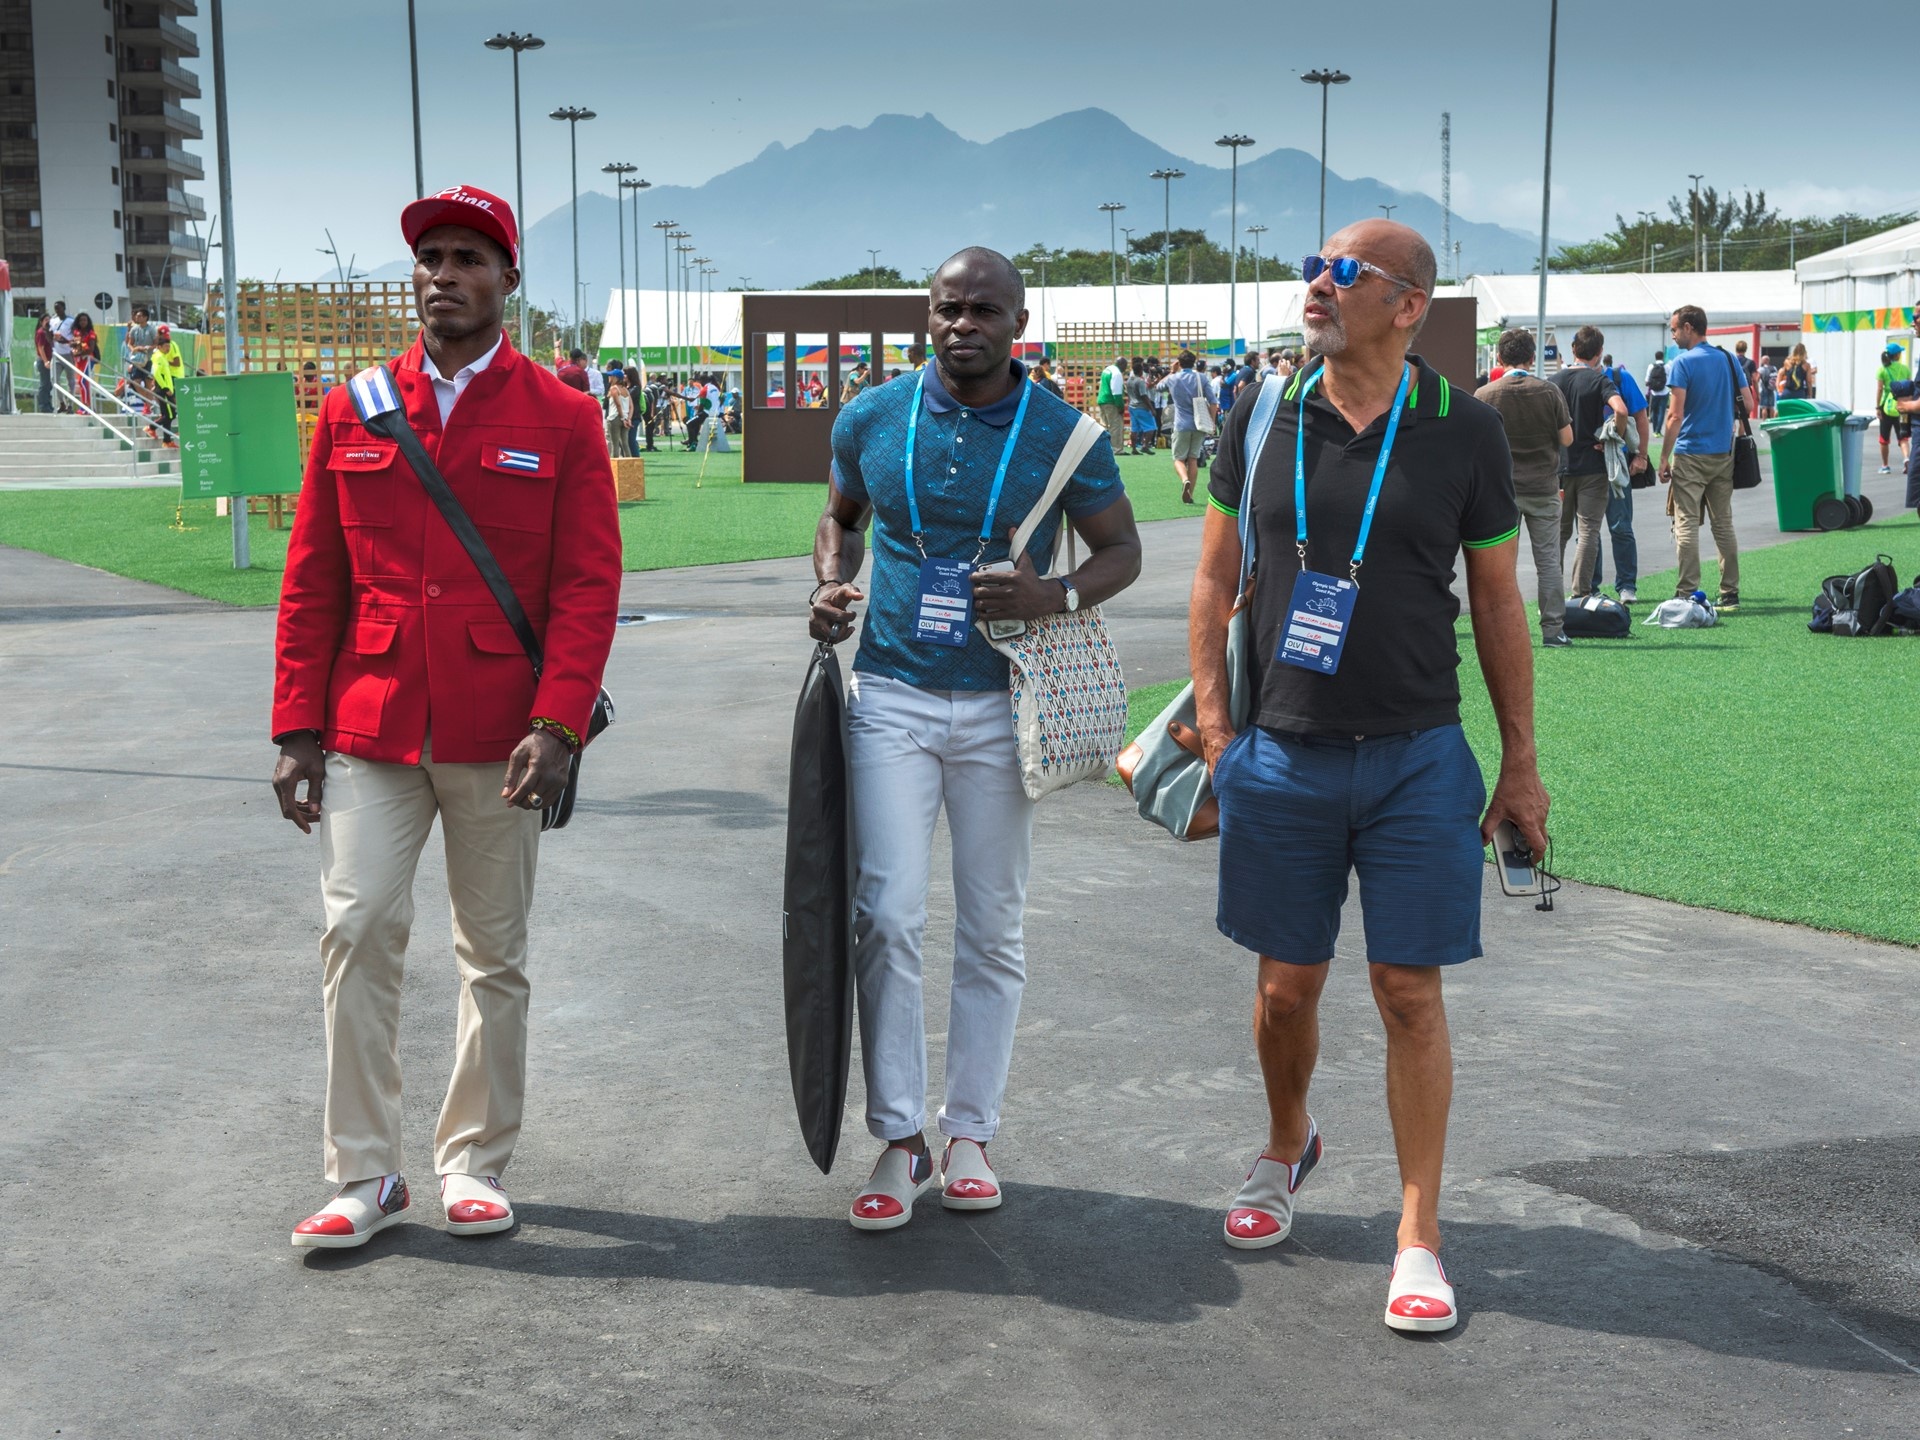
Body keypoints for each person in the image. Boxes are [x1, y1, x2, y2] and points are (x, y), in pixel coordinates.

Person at [1191, 219, 1542, 1336]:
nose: (1316, 286)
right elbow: (1214, 577)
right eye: (1312, 268)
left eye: (1344, 273)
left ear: (1407, 306)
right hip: (1281, 750)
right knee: (1286, 990)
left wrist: (1521, 760)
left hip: (1416, 756)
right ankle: (1288, 1143)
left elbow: (1495, 599)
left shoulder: (1464, 430)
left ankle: (1418, 1235)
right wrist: (1213, 722)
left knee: (1408, 993)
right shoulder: (1260, 414)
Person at [271, 183, 623, 1250]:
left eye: (469, 257)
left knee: (492, 950)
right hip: (373, 722)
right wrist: (294, 729)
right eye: (430, 259)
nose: (443, 276)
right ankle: (364, 1175)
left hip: (502, 732)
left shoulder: (562, 416)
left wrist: (559, 726)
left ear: (509, 279)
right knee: (357, 926)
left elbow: (586, 585)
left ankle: (472, 1159)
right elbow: (312, 577)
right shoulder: (356, 405)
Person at [808, 247, 1142, 1234]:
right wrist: (830, 581)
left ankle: (969, 1134)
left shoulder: (1065, 434)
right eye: (949, 308)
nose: (965, 324)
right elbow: (840, 521)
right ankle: (900, 1135)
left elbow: (1122, 547)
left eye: (985, 309)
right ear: (928, 315)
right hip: (895, 699)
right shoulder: (870, 417)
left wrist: (1058, 593)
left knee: (993, 926)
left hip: (1007, 705)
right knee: (888, 916)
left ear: (1019, 322)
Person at [1478, 328, 1575, 646]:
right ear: (1533, 358)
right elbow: (1566, 439)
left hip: (1502, 491)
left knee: (1501, 565)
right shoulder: (1547, 391)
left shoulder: (1486, 395)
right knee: (1548, 561)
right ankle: (1553, 629)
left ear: (1500, 358)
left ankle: (1502, 630)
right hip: (1544, 488)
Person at [1659, 305, 1753, 611]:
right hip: (1723, 452)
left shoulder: (1682, 363)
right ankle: (1730, 592)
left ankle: (1687, 591)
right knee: (1723, 523)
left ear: (1688, 327)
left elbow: (1674, 415)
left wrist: (1663, 457)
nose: (1672, 336)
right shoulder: (1727, 358)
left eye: (1674, 330)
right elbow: (1748, 403)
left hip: (1689, 453)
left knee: (1686, 522)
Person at [1548, 325, 1626, 600]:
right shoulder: (1599, 380)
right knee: (1589, 531)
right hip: (1592, 465)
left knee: (1558, 534)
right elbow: (1621, 409)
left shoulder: (1554, 381)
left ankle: (1551, 595)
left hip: (1558, 467)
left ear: (1573, 350)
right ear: (1600, 352)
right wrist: (1613, 436)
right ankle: (1580, 593)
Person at [1588, 347, 1651, 603]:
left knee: (1620, 526)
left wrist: (1641, 455)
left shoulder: (1619, 378)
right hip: (1586, 465)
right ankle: (1589, 587)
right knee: (1588, 531)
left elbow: (1641, 416)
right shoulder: (1571, 379)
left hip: (1618, 462)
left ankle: (1627, 586)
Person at [1165, 348, 1217, 504]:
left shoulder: (1173, 379)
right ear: (1194, 362)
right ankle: (1190, 494)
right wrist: (1212, 422)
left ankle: (1184, 479)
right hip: (1199, 423)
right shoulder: (1201, 377)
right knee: (1193, 459)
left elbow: (1157, 386)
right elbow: (1213, 402)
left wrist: (1171, 371)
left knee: (1178, 458)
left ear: (1179, 363)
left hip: (1181, 424)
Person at [1875, 343, 1911, 474]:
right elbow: (1909, 388)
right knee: (1903, 437)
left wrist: (1878, 407)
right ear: (1897, 355)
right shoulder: (1905, 369)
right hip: (1902, 407)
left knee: (1884, 439)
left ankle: (1885, 466)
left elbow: (1879, 389)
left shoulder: (1882, 370)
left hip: (1887, 407)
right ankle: (1906, 459)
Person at [149, 323, 185, 440]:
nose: (168, 349)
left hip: (167, 387)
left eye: (168, 347)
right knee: (170, 414)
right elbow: (157, 373)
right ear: (159, 346)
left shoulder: (163, 355)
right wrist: (165, 388)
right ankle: (152, 427)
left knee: (169, 413)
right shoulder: (159, 356)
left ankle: (167, 440)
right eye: (166, 347)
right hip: (164, 389)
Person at [1097, 353, 1128, 458]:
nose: (1126, 368)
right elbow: (1116, 392)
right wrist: (1120, 406)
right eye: (1125, 365)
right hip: (1111, 402)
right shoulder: (1117, 373)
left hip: (1102, 400)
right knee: (1115, 426)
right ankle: (1117, 449)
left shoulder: (1107, 369)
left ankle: (1103, 448)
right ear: (1122, 364)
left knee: (1104, 426)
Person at [605, 372, 633, 457]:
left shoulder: (614, 389)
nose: (609, 377)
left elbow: (618, 405)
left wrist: (622, 418)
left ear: (615, 378)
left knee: (615, 444)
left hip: (615, 418)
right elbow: (631, 406)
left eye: (611, 375)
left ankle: (614, 468)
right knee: (625, 444)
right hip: (625, 417)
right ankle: (629, 466)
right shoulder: (626, 389)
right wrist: (628, 418)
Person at [125, 305, 158, 374]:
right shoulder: (134, 329)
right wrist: (134, 349)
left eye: (139, 316)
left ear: (145, 317)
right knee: (136, 380)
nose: (137, 317)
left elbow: (156, 344)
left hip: (149, 359)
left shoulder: (151, 329)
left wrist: (148, 348)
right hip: (137, 359)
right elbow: (129, 343)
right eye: (137, 316)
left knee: (148, 380)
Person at [32, 313, 54, 413]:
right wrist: (46, 361)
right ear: (41, 322)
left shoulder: (50, 332)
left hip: (51, 359)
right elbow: (41, 348)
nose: (48, 321)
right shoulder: (41, 332)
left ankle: (48, 404)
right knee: (44, 384)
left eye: (49, 319)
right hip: (44, 360)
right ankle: (43, 406)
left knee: (49, 384)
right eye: (46, 320)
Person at [1644, 350, 1671, 432]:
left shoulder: (1651, 366)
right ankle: (1658, 431)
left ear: (1655, 357)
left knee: (1654, 411)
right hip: (1664, 392)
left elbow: (1646, 380)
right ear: (1662, 357)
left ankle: (1654, 430)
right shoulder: (1667, 366)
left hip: (1654, 392)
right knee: (1661, 412)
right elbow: (1670, 379)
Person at [644, 371, 669, 450]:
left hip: (648, 406)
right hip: (648, 407)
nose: (666, 381)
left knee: (651, 426)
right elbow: (653, 400)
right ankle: (650, 446)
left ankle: (650, 445)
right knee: (651, 425)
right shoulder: (656, 386)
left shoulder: (654, 385)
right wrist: (652, 412)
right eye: (665, 380)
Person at [1755, 352, 1778, 421]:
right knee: (1771, 407)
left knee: (1764, 407)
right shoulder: (1774, 368)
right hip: (1772, 389)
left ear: (1764, 361)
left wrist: (1757, 390)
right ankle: (1772, 421)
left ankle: (1764, 421)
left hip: (1764, 389)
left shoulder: (1761, 369)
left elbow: (1757, 380)